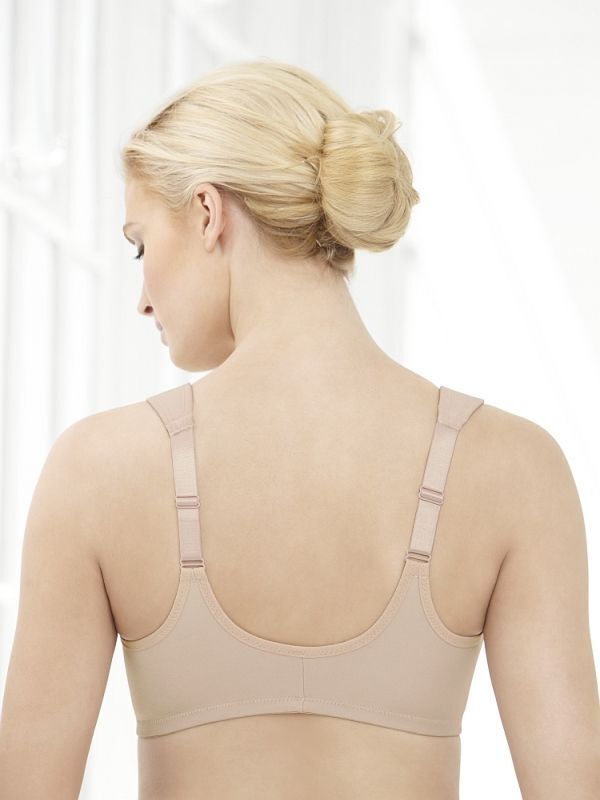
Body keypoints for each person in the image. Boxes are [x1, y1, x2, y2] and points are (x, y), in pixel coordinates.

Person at [1, 59, 598, 800]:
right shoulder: (516, 469)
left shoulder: (96, 472)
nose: (142, 300)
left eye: (140, 244)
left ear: (209, 213)